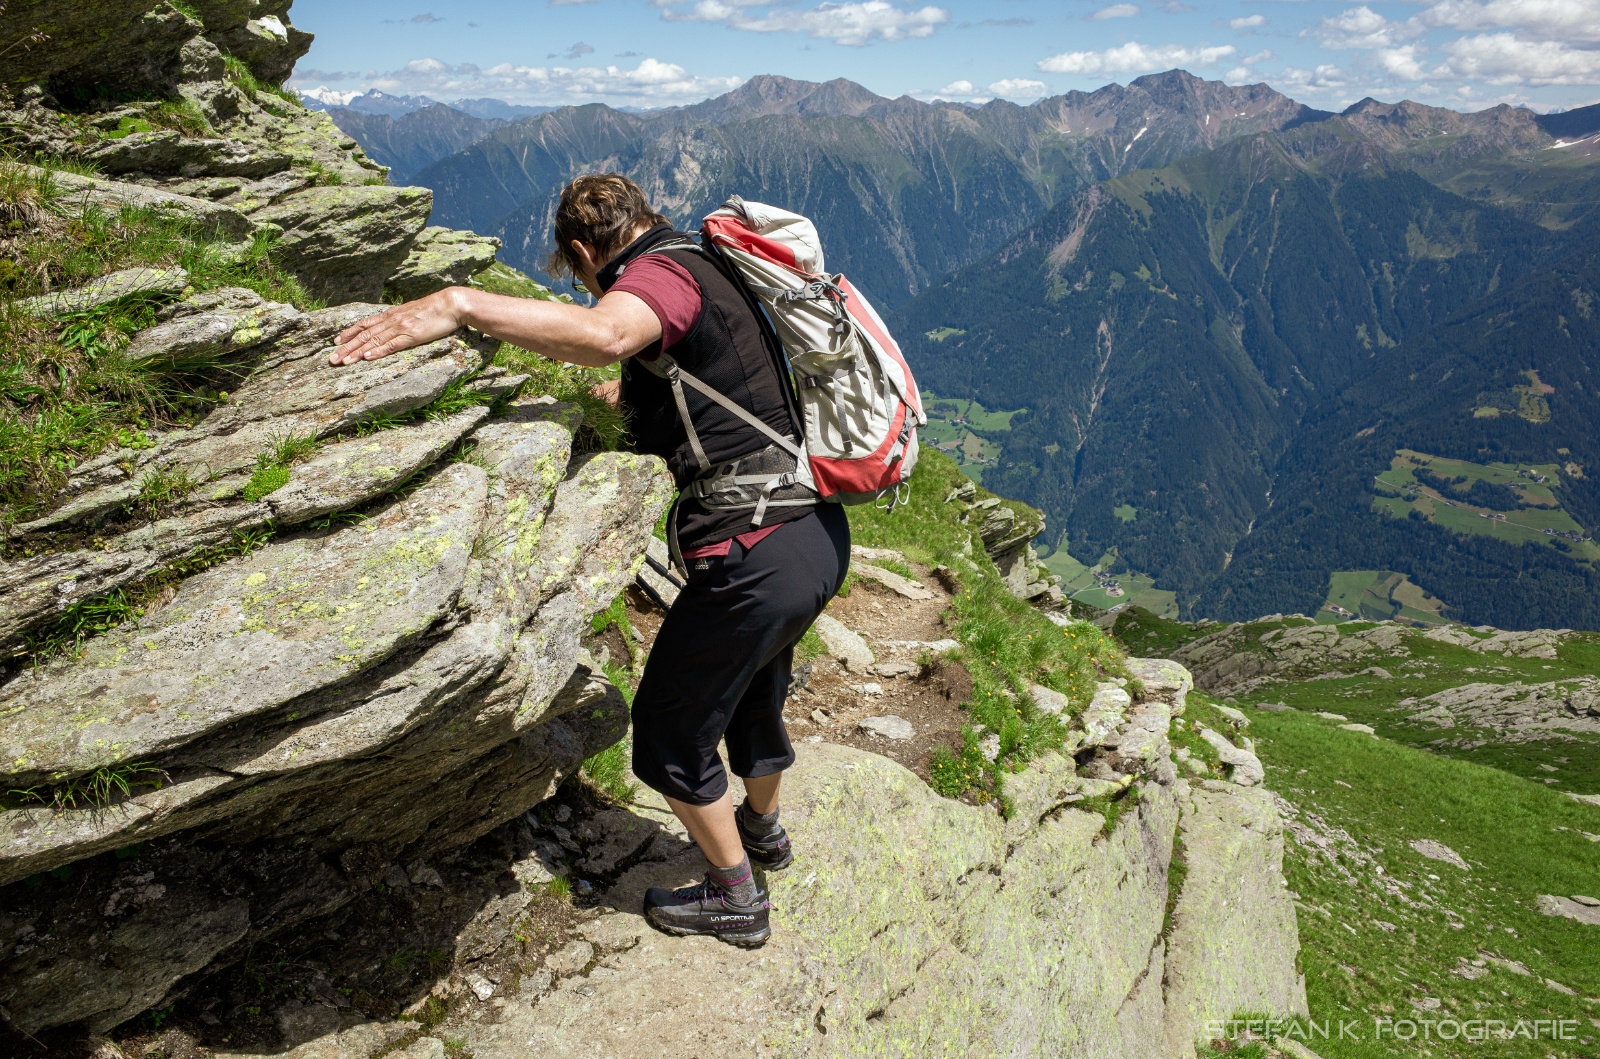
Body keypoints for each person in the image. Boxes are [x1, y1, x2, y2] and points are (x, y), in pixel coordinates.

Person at [328, 173, 849, 949]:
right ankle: (764, 831)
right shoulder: (707, 259)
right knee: (751, 694)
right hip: (813, 534)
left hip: (754, 549)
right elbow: (684, 381)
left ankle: (737, 895)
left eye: (576, 273)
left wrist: (460, 304)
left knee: (670, 732)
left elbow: (608, 334)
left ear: (581, 251)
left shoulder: (659, 277)